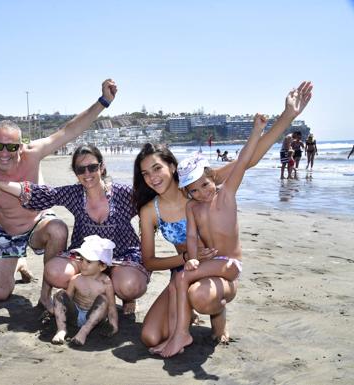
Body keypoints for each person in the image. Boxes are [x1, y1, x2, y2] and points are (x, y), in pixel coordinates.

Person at [135, 81, 313, 351]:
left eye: (157, 168)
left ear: (172, 166)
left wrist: (287, 116)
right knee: (150, 337)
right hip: (187, 270)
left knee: (202, 296)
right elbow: (148, 261)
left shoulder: (202, 186)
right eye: (146, 173)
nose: (152, 177)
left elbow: (248, 160)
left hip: (219, 270)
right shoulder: (151, 211)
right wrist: (185, 259)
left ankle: (218, 317)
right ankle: (187, 315)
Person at [0, 79, 118, 313]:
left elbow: (69, 130)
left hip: (37, 225)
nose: (5, 153)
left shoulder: (33, 154)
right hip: (6, 233)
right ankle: (19, 262)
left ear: (20, 146)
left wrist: (103, 102)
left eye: (11, 146)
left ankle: (45, 296)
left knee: (58, 228)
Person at [0, 144, 150, 315]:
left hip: (122, 254)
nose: (87, 173)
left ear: (101, 167)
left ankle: (127, 298)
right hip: (85, 256)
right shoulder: (74, 194)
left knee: (130, 286)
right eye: (81, 169)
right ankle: (87, 292)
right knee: (54, 272)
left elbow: (153, 202)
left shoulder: (124, 193)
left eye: (92, 167)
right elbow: (35, 193)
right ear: (76, 173)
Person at [157, 114, 266, 358]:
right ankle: (199, 325)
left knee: (182, 277)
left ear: (212, 178)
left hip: (229, 265)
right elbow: (193, 237)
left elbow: (243, 161)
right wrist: (193, 257)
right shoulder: (192, 207)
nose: (201, 192)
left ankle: (181, 334)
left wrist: (257, 130)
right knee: (186, 278)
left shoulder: (226, 194)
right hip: (209, 263)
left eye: (204, 185)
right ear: (187, 191)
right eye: (193, 190)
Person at [51, 235, 119, 346]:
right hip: (75, 315)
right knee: (59, 294)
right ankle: (61, 330)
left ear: (102, 266)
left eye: (88, 261)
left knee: (104, 299)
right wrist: (56, 309)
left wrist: (114, 325)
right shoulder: (76, 279)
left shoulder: (105, 283)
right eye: (81, 259)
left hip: (95, 319)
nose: (83, 264)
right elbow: (66, 301)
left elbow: (111, 306)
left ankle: (84, 332)